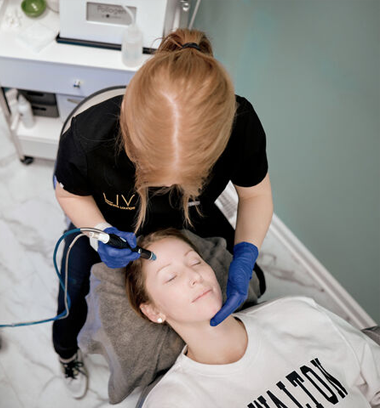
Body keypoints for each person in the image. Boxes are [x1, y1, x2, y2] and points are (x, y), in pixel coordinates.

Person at [53, 28, 273, 398]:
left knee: (250, 278)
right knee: (72, 295)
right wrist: (98, 230)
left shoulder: (240, 123)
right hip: (109, 223)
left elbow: (256, 196)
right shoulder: (88, 134)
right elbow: (68, 193)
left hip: (191, 218)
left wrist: (246, 257)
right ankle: (65, 352)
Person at [125, 228, 380, 408]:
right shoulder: (174, 401)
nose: (195, 276)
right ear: (153, 311)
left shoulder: (298, 315)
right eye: (171, 277)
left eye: (195, 262)